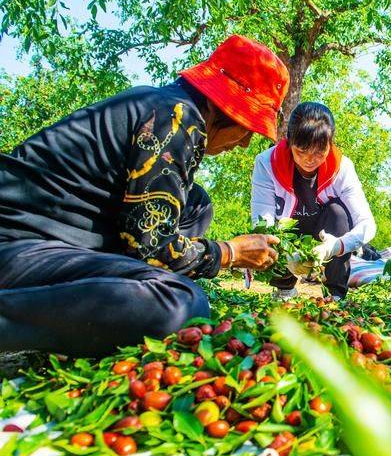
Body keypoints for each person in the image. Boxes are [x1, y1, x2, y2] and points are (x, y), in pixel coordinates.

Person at [0, 35, 288, 356]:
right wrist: (228, 253)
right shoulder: (177, 119)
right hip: (16, 244)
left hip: (62, 238)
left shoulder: (163, 105)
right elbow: (155, 249)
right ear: (218, 105)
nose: (246, 142)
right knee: (181, 304)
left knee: (197, 205)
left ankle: (122, 287)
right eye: (246, 127)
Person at [251, 102, 376, 300]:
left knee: (338, 212)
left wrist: (337, 246)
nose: (310, 159)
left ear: (331, 143)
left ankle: (334, 293)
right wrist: (285, 253)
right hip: (289, 230)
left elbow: (367, 225)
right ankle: (284, 288)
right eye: (301, 151)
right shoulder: (266, 163)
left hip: (326, 230)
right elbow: (262, 221)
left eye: (319, 151)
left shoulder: (342, 168)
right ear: (289, 141)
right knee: (270, 230)